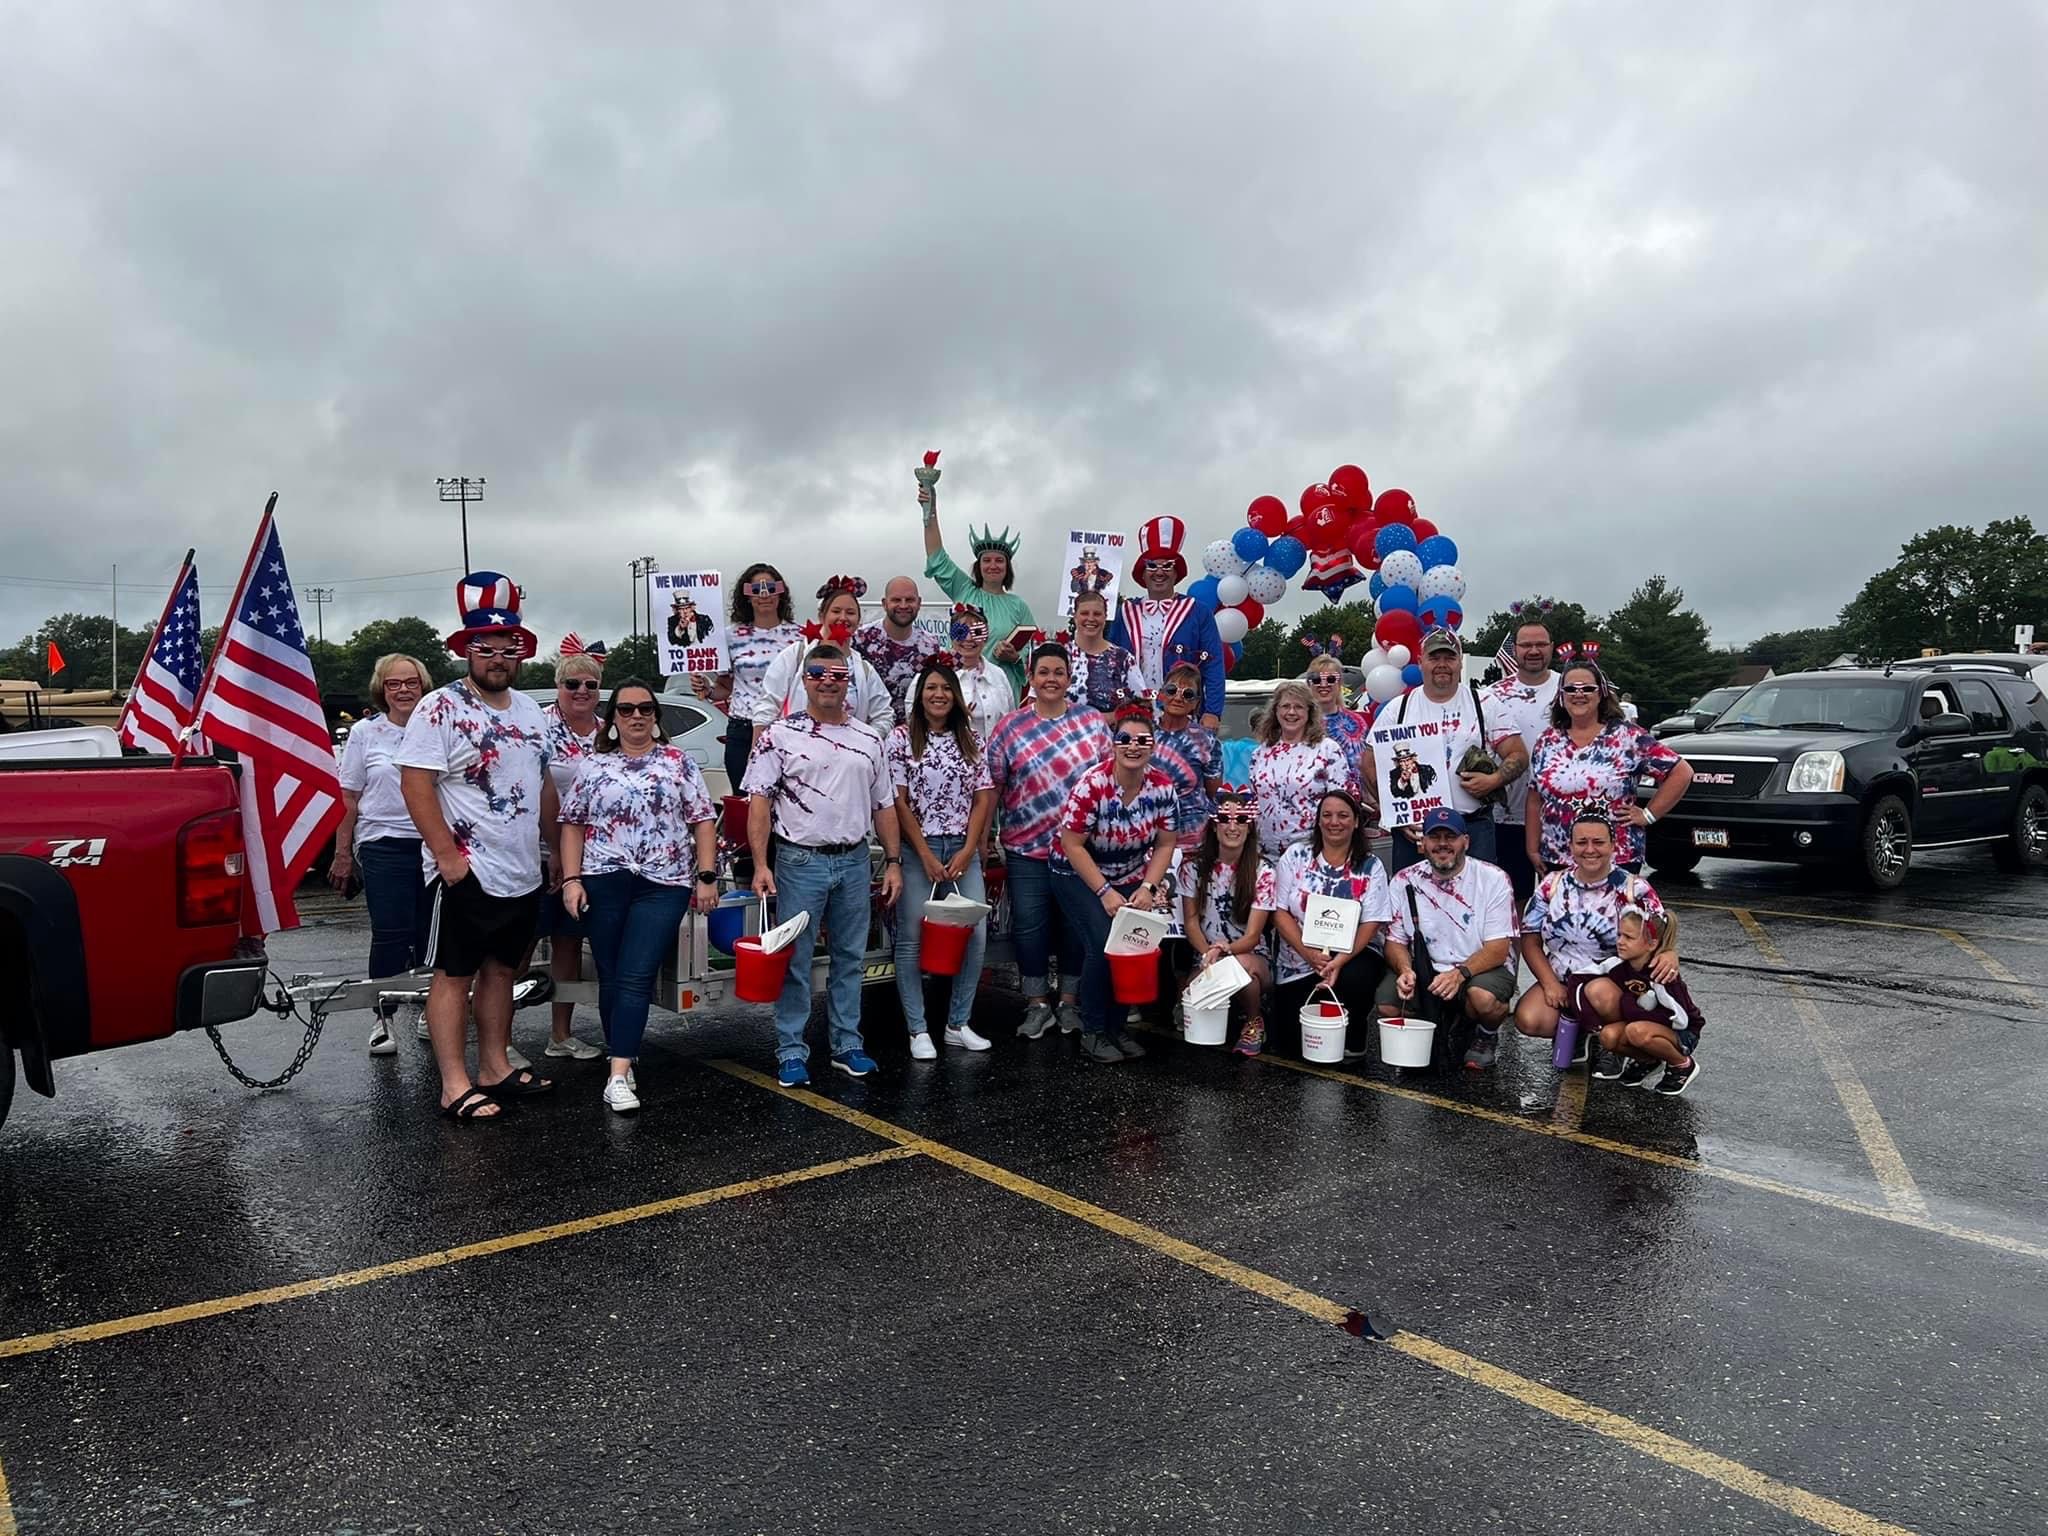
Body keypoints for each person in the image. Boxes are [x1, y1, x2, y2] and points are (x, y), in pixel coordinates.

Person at [397, 572, 558, 1121]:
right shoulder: (440, 707)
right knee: (454, 975)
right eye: (485, 648)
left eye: (508, 648)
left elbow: (542, 785)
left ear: (521, 653)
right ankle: (454, 1084)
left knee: (502, 972)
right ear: (467, 650)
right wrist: (447, 857)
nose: (497, 659)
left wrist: (554, 853)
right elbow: (416, 784)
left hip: (521, 870)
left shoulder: (532, 712)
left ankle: (495, 1066)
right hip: (466, 870)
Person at [745, 642, 903, 1087]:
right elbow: (759, 803)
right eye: (818, 674)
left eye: (838, 675)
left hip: (854, 860)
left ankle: (847, 1045)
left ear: (849, 681)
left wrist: (893, 861)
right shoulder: (779, 735)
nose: (828, 682)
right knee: (795, 959)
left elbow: (884, 805)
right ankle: (791, 1049)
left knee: (850, 958)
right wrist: (761, 864)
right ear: (804, 680)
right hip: (800, 860)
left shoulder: (870, 739)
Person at [557, 680, 719, 1113]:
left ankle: (617, 1076)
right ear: (612, 718)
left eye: (645, 709)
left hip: (664, 882)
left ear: (655, 716)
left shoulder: (677, 762)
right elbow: (572, 823)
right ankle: (623, 1056)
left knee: (636, 974)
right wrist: (571, 879)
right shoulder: (593, 766)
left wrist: (706, 876)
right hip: (603, 879)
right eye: (626, 709)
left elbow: (703, 819)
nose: (636, 716)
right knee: (611, 975)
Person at [983, 643, 1111, 1038]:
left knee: (1075, 926)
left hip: (1080, 851)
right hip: (1026, 849)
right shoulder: (1010, 727)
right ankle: (1037, 1003)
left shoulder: (1091, 722)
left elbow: (1108, 781)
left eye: (1058, 672)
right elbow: (993, 786)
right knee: (1029, 927)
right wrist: (985, 838)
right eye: (1043, 672)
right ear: (1031, 678)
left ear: (1069, 678)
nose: (1051, 679)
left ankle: (1069, 1002)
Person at [1051, 698, 1180, 1064]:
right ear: (1113, 743)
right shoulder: (1092, 784)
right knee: (1101, 942)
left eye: (1142, 740)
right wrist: (1104, 891)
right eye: (1125, 739)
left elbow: (1165, 844)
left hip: (1130, 871)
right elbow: (1072, 844)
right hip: (1077, 871)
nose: (1133, 747)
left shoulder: (1163, 787)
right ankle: (1093, 1031)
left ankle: (1116, 1026)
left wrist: (1148, 888)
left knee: (1129, 944)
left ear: (1153, 746)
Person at [889, 657, 998, 1058]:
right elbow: (898, 801)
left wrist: (969, 849)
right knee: (912, 937)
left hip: (961, 849)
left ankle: (958, 1023)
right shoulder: (901, 738)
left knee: (975, 934)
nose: (939, 695)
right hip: (920, 849)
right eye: (931, 688)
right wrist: (922, 853)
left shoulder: (971, 738)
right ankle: (917, 1030)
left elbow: (983, 797)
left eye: (946, 688)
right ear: (920, 695)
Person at [1510, 808, 1670, 1071]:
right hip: (1564, 978)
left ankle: (1616, 1041)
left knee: (1598, 994)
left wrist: (1669, 953)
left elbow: (1661, 933)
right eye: (1582, 842)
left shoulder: (1634, 889)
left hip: (1614, 982)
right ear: (1571, 846)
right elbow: (1530, 938)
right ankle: (1582, 1030)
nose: (1590, 850)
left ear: (1613, 845)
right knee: (1530, 1019)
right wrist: (1550, 984)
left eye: (1598, 842)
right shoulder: (1552, 884)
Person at [332, 652, 434, 1055]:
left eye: (411, 682)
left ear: (423, 686)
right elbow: (349, 797)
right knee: (391, 932)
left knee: (432, 934)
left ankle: (430, 1009)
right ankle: (383, 1017)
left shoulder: (439, 727)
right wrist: (342, 854)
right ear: (382, 689)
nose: (403, 690)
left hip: (434, 843)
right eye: (394, 683)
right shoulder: (365, 732)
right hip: (383, 842)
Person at [1360, 628, 1527, 872]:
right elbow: (1369, 762)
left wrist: (1494, 780)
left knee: (1479, 894)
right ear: (1420, 662)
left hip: (1472, 827)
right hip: (1416, 831)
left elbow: (1518, 754)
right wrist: (1395, 814)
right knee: (1412, 896)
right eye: (1434, 657)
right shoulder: (1399, 708)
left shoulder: (1485, 704)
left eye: (1449, 657)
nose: (1442, 664)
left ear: (1460, 662)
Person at [1524, 656, 1695, 875]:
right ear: (1561, 695)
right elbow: (1535, 798)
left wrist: (1648, 815)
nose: (1578, 694)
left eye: (1588, 688)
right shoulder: (1547, 741)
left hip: (1617, 859)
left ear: (1601, 693)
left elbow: (1681, 772)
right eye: (1570, 689)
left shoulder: (1628, 737)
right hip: (1558, 857)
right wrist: (1532, 848)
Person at [1378, 808, 1517, 1067]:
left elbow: (1498, 949)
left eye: (1451, 837)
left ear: (1466, 841)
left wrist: (1459, 974)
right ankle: (1437, 1022)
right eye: (1434, 837)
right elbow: (1395, 942)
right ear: (1423, 843)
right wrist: (1405, 970)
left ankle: (1485, 1034)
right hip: (1426, 967)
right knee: (1388, 1005)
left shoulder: (1494, 878)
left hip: (1477, 968)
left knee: (1483, 999)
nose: (1443, 844)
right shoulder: (1403, 880)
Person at [1269, 790, 1391, 1059]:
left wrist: (1338, 961)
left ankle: (1354, 1032)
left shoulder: (1371, 866)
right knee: (1289, 1046)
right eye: (1327, 815)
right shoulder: (1295, 856)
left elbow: (1372, 922)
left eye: (1343, 815)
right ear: (1318, 820)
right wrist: (1308, 954)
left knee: (1355, 979)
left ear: (1356, 821)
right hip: (1299, 956)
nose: (1334, 822)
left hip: (1352, 955)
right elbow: (1278, 911)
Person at [530, 653, 606, 1063]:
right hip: (537, 853)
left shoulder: (608, 733)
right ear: (558, 686)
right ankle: (501, 1041)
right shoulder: (537, 727)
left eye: (590, 685)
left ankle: (560, 1034)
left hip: (589, 858)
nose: (581, 691)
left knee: (568, 943)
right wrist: (554, 850)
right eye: (572, 683)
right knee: (520, 946)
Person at [1179, 788, 1275, 1050]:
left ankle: (1254, 1022)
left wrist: (1225, 950)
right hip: (1206, 954)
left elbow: (1253, 936)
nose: (1233, 827)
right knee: (1190, 991)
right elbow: (1191, 922)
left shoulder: (1263, 871)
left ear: (1249, 827)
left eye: (1241, 820)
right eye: (1224, 819)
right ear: (1214, 825)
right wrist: (1208, 953)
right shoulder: (1193, 868)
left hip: (1250, 957)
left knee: (1240, 969)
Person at [919, 480, 1036, 694]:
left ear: (1007, 567)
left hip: (1001, 690)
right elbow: (937, 556)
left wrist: (1014, 656)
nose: (993, 565)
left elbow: (1030, 654)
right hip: (960, 688)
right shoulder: (963, 589)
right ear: (978, 566)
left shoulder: (1019, 606)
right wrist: (930, 512)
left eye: (999, 561)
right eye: (987, 560)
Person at [1107, 515, 1225, 727]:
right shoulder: (1124, 612)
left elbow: (1214, 664)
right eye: (1152, 566)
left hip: (1182, 714)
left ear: (1176, 572)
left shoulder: (1198, 612)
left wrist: (1213, 711)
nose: (1159, 572)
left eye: (1167, 565)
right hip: (1133, 714)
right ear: (1143, 574)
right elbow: (1110, 663)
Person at [696, 561, 802, 787]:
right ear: (746, 596)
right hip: (743, 729)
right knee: (745, 800)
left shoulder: (801, 636)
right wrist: (708, 689)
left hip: (789, 729)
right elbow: (725, 687)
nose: (764, 595)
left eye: (771, 588)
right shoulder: (729, 637)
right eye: (756, 589)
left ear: (781, 593)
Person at [1583, 906, 1705, 1096]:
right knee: (1608, 1036)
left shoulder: (1661, 974)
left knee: (1636, 1031)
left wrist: (1635, 1012)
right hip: (1645, 1026)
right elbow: (1583, 975)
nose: (1620, 942)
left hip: (1683, 1033)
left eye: (1629, 938)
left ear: (1651, 944)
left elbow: (1682, 1019)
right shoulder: (1622, 966)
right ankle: (1648, 1060)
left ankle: (1682, 1065)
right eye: (1619, 935)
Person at [1483, 615, 1561, 906]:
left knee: (1561, 899)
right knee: (1512, 900)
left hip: (1559, 816)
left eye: (1541, 644)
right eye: (1526, 645)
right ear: (1514, 649)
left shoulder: (1570, 690)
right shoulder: (1491, 696)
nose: (1534, 651)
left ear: (1551, 647)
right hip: (1506, 815)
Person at [752, 577, 895, 732]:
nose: (843, 618)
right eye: (836, 611)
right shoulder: (796, 655)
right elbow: (767, 707)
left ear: (858, 621)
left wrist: (866, 739)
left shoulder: (864, 670)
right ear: (822, 616)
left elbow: (884, 715)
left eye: (850, 612)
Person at [1250, 679, 1353, 852]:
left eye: (1298, 707)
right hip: (1265, 852)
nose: (1291, 712)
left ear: (1309, 712)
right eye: (1285, 706)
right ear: (1275, 711)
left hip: (1311, 850)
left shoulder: (1328, 750)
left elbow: (1341, 804)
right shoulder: (1260, 753)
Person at [1152, 660, 1222, 850]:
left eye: (1188, 694)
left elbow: (1214, 794)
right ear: (1161, 694)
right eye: (1172, 690)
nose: (1178, 697)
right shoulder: (1143, 733)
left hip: (1193, 840)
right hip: (1148, 836)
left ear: (1196, 703)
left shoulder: (1207, 740)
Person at [852, 575, 940, 721]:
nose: (903, 606)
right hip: (870, 728)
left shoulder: (930, 645)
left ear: (919, 603)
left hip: (914, 729)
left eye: (909, 600)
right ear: (884, 604)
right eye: (896, 600)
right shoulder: (860, 640)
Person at [946, 604, 1014, 743]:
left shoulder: (998, 675)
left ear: (986, 637)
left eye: (977, 632)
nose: (969, 638)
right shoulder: (936, 675)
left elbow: (1011, 722)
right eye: (960, 631)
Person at [1305, 649, 1370, 790]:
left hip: (1356, 798)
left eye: (1330, 679)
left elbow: (1367, 765)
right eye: (1316, 679)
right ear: (1309, 684)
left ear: (1339, 683)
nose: (1324, 684)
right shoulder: (1300, 724)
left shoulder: (1358, 721)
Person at [1066, 590, 1139, 713]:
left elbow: (1141, 704)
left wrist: (1111, 717)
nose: (1091, 619)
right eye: (1084, 613)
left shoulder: (1123, 658)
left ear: (1105, 617)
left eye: (1097, 614)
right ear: (1075, 616)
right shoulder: (1059, 655)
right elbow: (1037, 701)